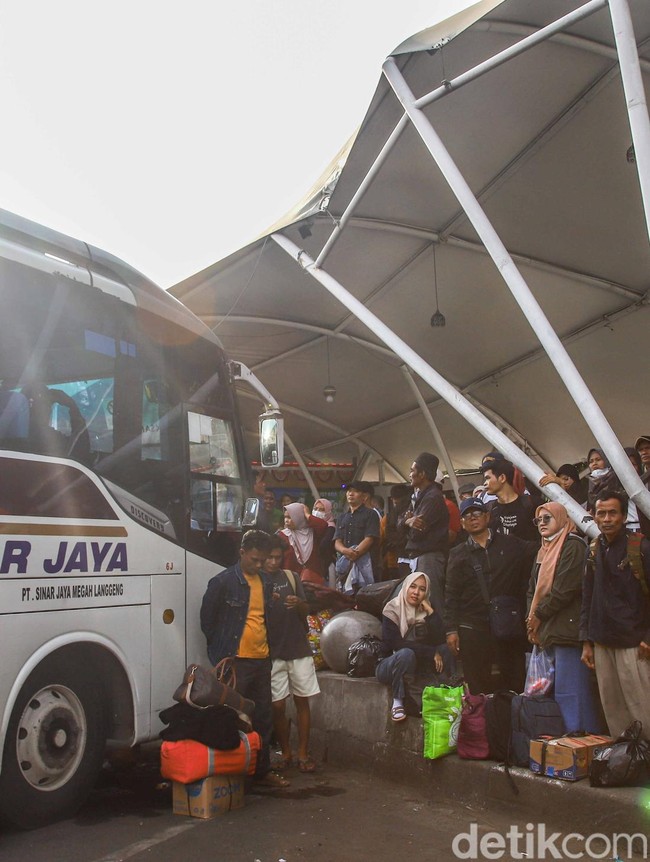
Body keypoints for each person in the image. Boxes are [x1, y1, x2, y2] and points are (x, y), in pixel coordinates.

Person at [200, 530, 289, 787]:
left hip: (262, 660)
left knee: (263, 718)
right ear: (241, 553)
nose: (260, 565)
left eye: (263, 560)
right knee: (229, 718)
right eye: (255, 560)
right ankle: (229, 773)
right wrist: (222, 656)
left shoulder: (265, 582)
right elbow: (208, 622)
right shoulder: (223, 582)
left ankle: (261, 772)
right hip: (236, 661)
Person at [444, 498, 537, 694]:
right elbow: (451, 593)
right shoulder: (457, 554)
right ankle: (482, 723)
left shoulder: (511, 544)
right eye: (467, 516)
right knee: (478, 685)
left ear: (487, 517)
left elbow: (540, 548)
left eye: (477, 514)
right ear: (461, 523)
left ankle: (512, 721)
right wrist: (451, 629)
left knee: (513, 680)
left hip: (507, 625)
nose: (472, 519)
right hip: (473, 626)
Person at [526, 502, 602, 732]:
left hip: (567, 630)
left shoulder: (574, 545)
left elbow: (565, 589)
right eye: (538, 520)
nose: (541, 524)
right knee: (556, 693)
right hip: (547, 630)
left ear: (561, 518)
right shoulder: (544, 549)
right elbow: (532, 588)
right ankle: (563, 747)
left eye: (546, 518)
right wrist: (531, 620)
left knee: (573, 693)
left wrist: (537, 616)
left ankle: (581, 745)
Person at [580, 491, 650, 737]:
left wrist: (647, 638)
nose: (607, 519)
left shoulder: (640, 547)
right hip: (602, 641)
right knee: (614, 712)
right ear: (594, 516)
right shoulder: (594, 548)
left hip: (634, 643)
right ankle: (626, 763)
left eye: (612, 513)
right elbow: (587, 597)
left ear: (623, 516)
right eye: (601, 513)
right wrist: (586, 640)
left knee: (642, 710)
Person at [265, 537, 320, 773]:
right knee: (277, 706)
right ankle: (285, 751)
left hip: (298, 648)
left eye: (278, 557)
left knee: (302, 701)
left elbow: (306, 610)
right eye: (270, 557)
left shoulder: (291, 577)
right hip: (272, 652)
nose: (274, 562)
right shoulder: (256, 580)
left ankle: (302, 753)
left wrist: (298, 602)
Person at [376, 571, 454, 722]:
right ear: (405, 587)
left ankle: (447, 693)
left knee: (445, 649)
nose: (416, 592)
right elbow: (395, 644)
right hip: (389, 664)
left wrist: (430, 612)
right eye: (413, 587)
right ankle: (398, 701)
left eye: (422, 589)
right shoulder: (392, 608)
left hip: (416, 664)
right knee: (405, 653)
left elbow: (439, 638)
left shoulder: (425, 610)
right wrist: (431, 652)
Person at [400, 452, 449, 616]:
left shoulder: (432, 498)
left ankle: (443, 638)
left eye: (413, 470)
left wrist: (408, 523)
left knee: (431, 601)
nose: (410, 474)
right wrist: (407, 522)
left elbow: (416, 534)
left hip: (429, 558)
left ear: (423, 474)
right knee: (420, 603)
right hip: (420, 557)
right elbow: (399, 523)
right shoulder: (417, 497)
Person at [334, 480, 380, 588]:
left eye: (355, 491)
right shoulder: (342, 517)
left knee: (366, 596)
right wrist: (345, 551)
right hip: (346, 565)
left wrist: (355, 554)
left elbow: (370, 538)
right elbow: (337, 541)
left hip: (366, 565)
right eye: (349, 491)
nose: (351, 494)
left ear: (364, 497)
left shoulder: (371, 514)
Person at [482, 458, 539, 543]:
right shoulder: (490, 509)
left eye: (488, 478)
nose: (485, 483)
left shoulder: (532, 503)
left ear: (502, 478)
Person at [278, 502, 329, 585]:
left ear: (299, 517)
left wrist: (308, 515)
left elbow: (323, 525)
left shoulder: (312, 533)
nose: (286, 520)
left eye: (290, 517)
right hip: (290, 581)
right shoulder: (282, 535)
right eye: (285, 517)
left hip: (312, 581)